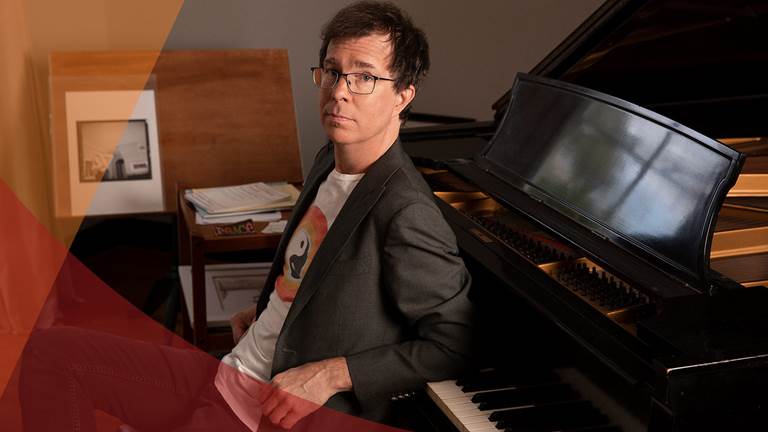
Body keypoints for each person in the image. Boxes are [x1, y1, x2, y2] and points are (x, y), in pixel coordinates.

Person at [19, 2, 472, 431]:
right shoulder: (328, 159)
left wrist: (331, 375)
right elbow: (315, 274)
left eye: (364, 78)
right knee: (49, 355)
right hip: (231, 370)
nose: (338, 92)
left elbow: (453, 343)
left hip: (266, 410)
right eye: (333, 71)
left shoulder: (407, 210)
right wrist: (267, 307)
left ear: (403, 95)